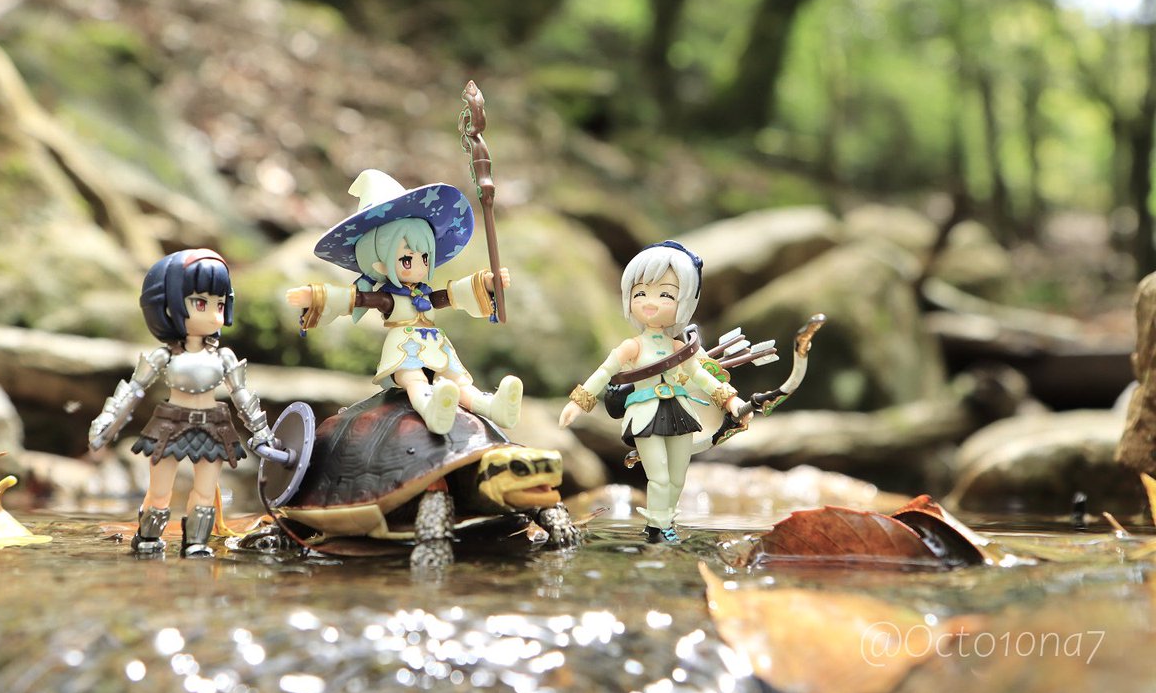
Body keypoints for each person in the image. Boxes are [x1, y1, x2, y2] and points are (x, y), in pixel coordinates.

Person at [287, 169, 522, 435]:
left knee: (459, 380)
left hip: (436, 344)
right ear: (379, 264)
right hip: (404, 347)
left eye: (425, 258)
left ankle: (492, 407)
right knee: (413, 379)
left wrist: (487, 283)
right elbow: (359, 298)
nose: (420, 266)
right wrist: (316, 297)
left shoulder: (424, 293)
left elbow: (449, 296)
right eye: (407, 260)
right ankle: (430, 407)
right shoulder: (389, 298)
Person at [88, 249, 280, 557]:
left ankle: (196, 543)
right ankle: (148, 537)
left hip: (213, 427)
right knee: (159, 491)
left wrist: (261, 430)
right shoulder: (165, 355)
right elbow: (134, 389)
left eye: (220, 304)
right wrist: (108, 421)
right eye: (200, 303)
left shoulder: (223, 356)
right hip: (169, 425)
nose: (213, 313)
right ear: (169, 305)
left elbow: (241, 395)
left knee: (205, 492)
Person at [559, 241, 749, 543]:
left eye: (666, 295)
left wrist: (731, 400)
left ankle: (667, 521)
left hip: (680, 413)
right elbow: (605, 372)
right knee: (658, 476)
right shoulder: (632, 346)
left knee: (677, 477)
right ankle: (657, 527)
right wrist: (578, 403)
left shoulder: (679, 347)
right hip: (645, 414)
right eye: (640, 293)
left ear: (683, 302)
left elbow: (700, 375)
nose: (651, 302)